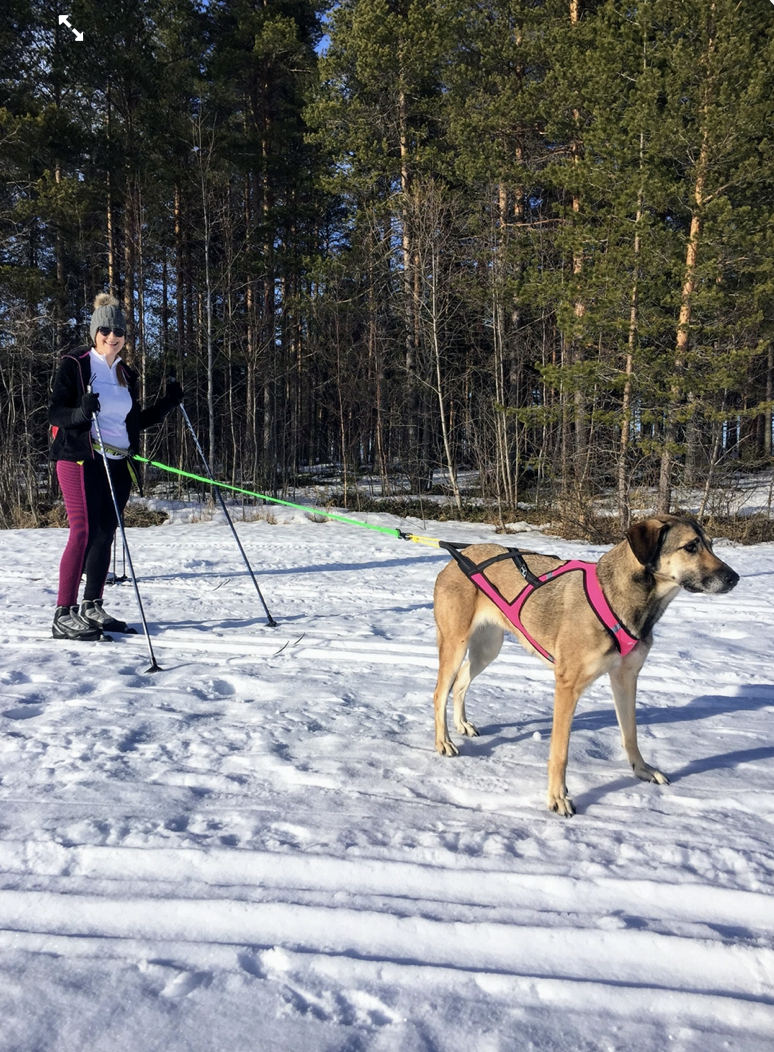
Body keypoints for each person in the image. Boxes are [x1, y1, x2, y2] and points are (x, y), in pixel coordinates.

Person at [48, 292, 183, 640]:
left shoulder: (125, 373)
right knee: (82, 531)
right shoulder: (76, 364)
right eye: (105, 329)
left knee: (106, 533)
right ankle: (64, 612)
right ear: (95, 332)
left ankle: (92, 605)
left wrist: (168, 404)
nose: (112, 336)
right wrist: (79, 412)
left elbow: (133, 421)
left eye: (118, 331)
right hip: (81, 458)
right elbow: (55, 412)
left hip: (118, 462)